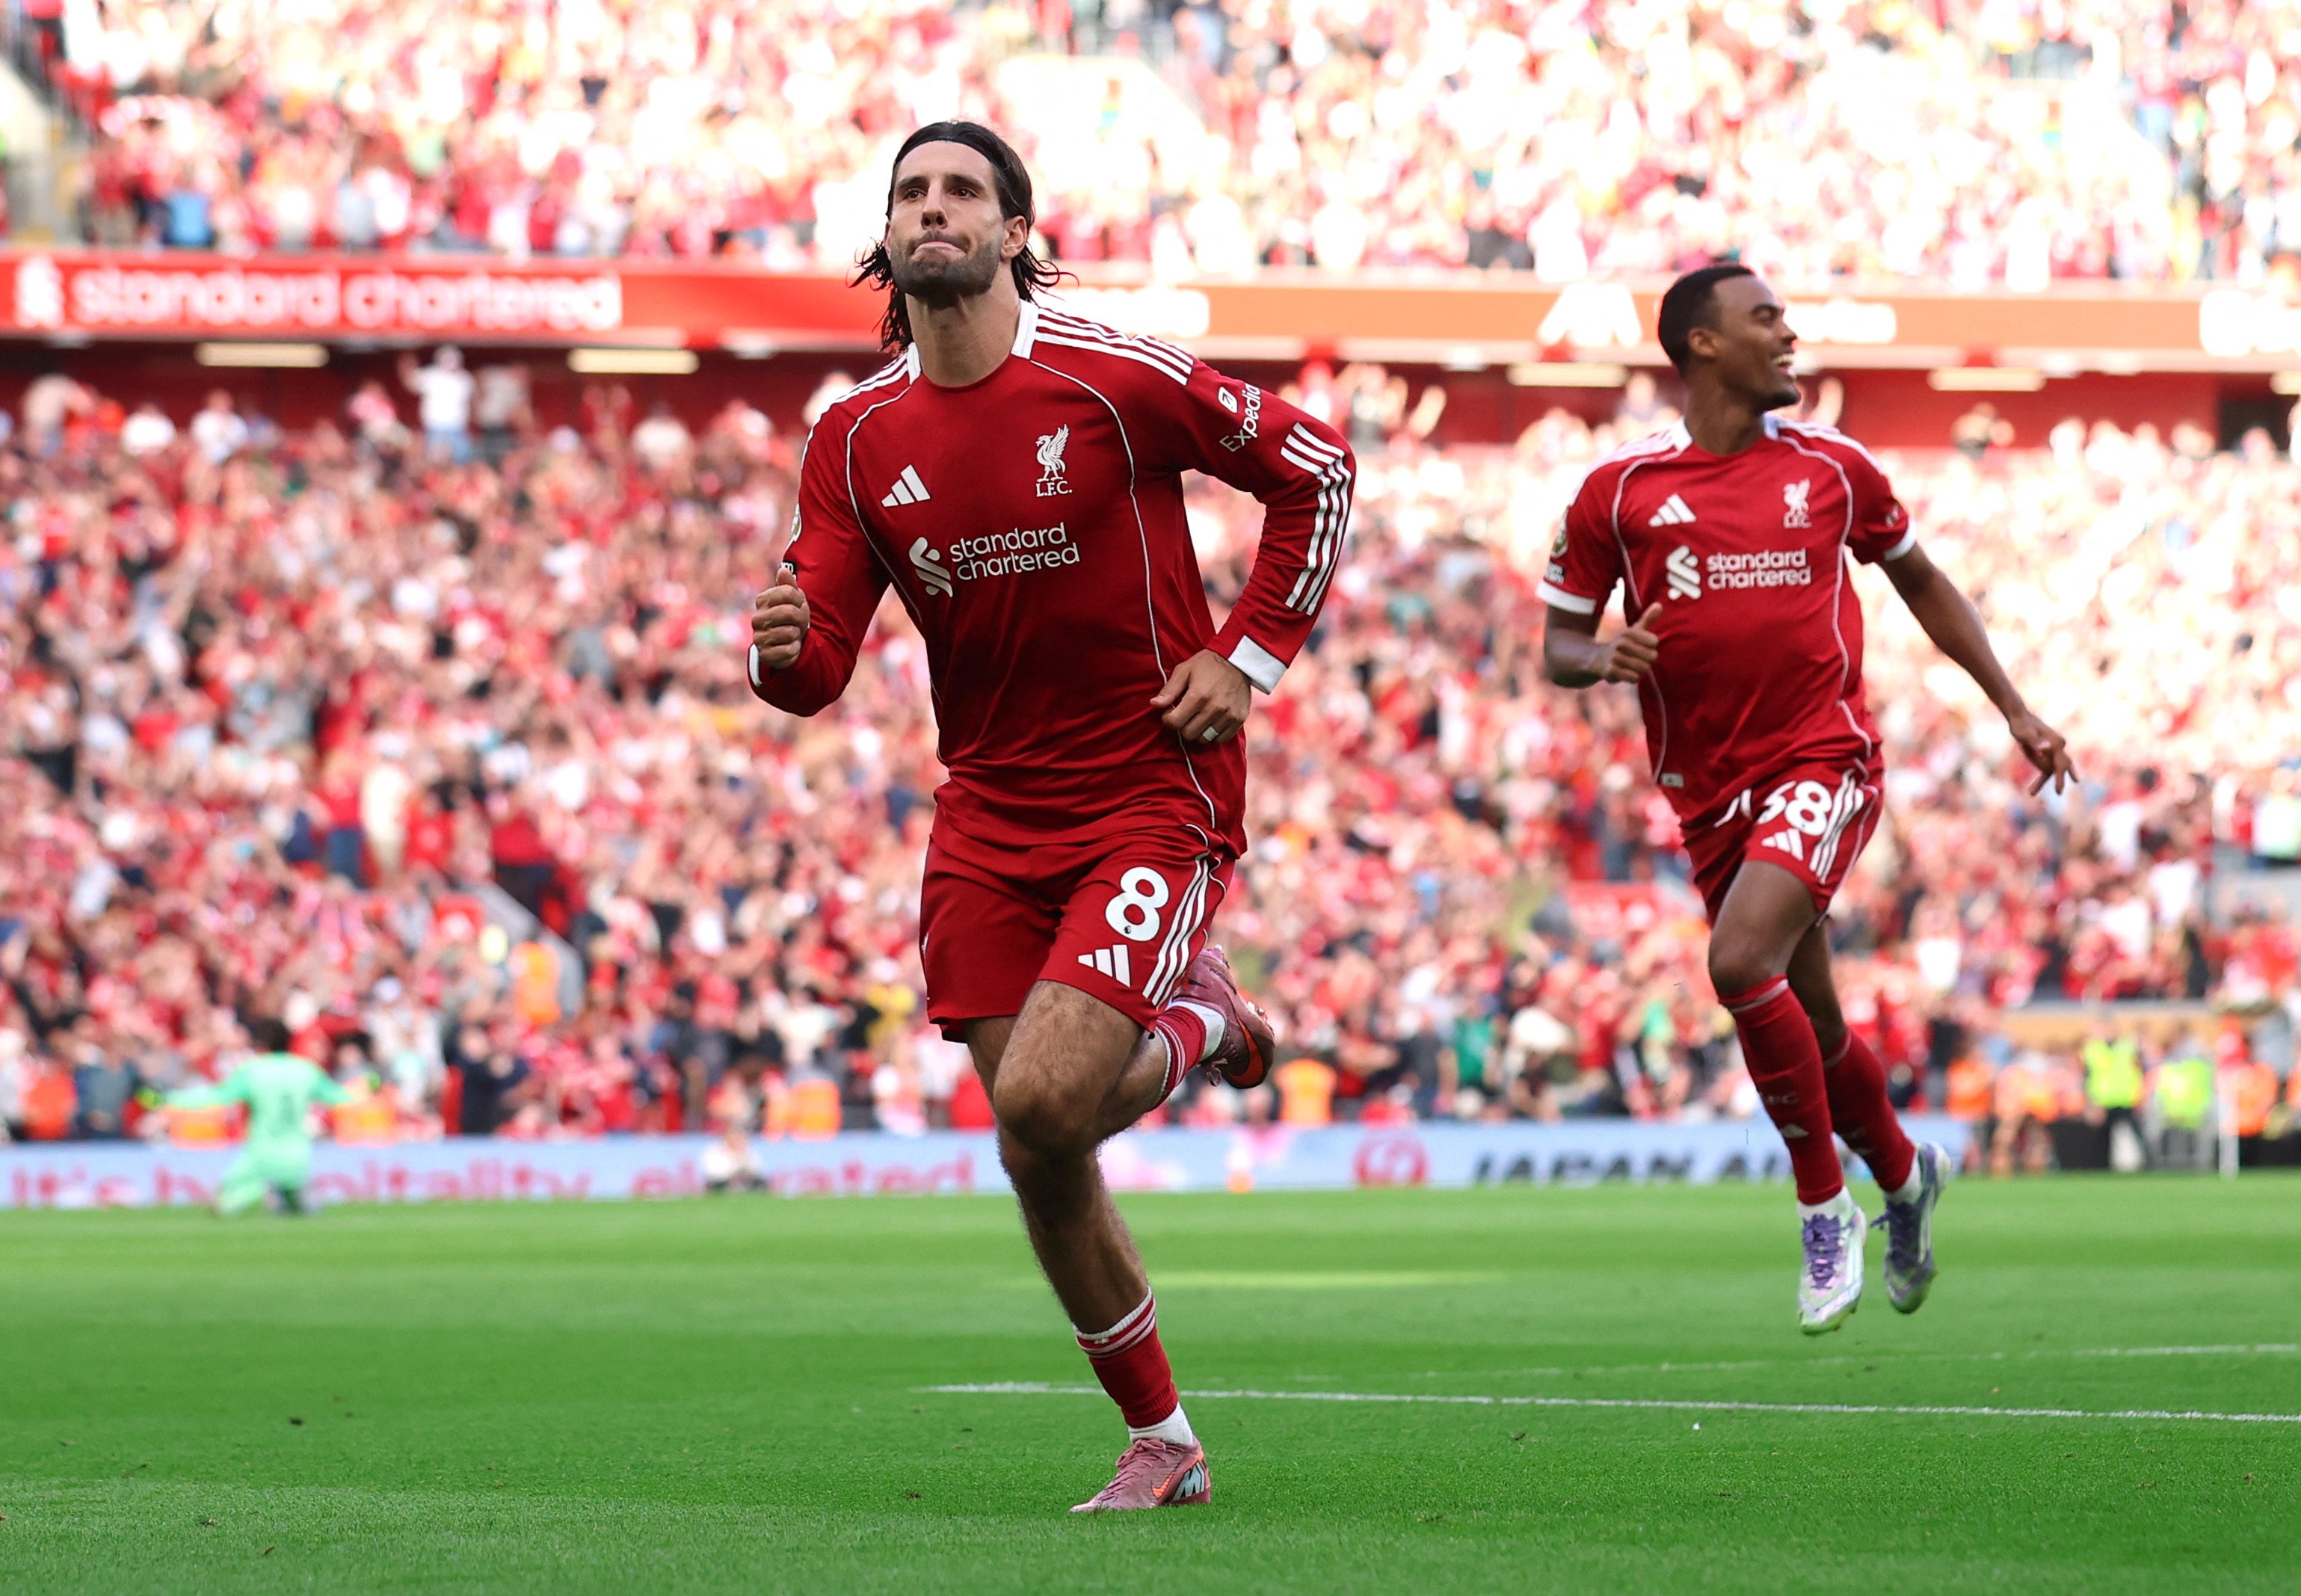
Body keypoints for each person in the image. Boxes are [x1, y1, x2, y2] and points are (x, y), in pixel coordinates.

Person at [748, 120, 1352, 1512]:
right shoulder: (852, 437)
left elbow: (1316, 469)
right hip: (985, 813)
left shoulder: (1109, 375)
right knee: (1036, 1145)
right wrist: (780, 653)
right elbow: (817, 668)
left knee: (1040, 1099)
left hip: (1148, 787)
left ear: (1014, 233)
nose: (932, 207)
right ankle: (1164, 1441)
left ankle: (1199, 1017)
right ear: (886, 235)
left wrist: (1248, 658)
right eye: (910, 192)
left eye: (961, 191)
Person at [1539, 263, 2073, 1335]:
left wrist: (2013, 705)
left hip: (1823, 760)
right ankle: (1905, 1173)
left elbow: (1922, 581)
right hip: (1705, 792)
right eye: (1766, 318)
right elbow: (1556, 642)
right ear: (1702, 343)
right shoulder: (1617, 491)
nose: (1789, 334)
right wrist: (1602, 656)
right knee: (1813, 1022)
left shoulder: (1834, 466)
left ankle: (1824, 1206)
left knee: (1740, 962)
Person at [165, 1018, 350, 1215]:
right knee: (291, 1196)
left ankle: (263, 1192)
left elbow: (218, 1097)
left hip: (260, 1155)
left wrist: (170, 1099)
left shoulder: (253, 1071)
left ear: (261, 1046)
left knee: (225, 1200)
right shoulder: (305, 1070)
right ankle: (287, 1192)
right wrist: (367, 1087)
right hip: (297, 1156)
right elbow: (341, 1097)